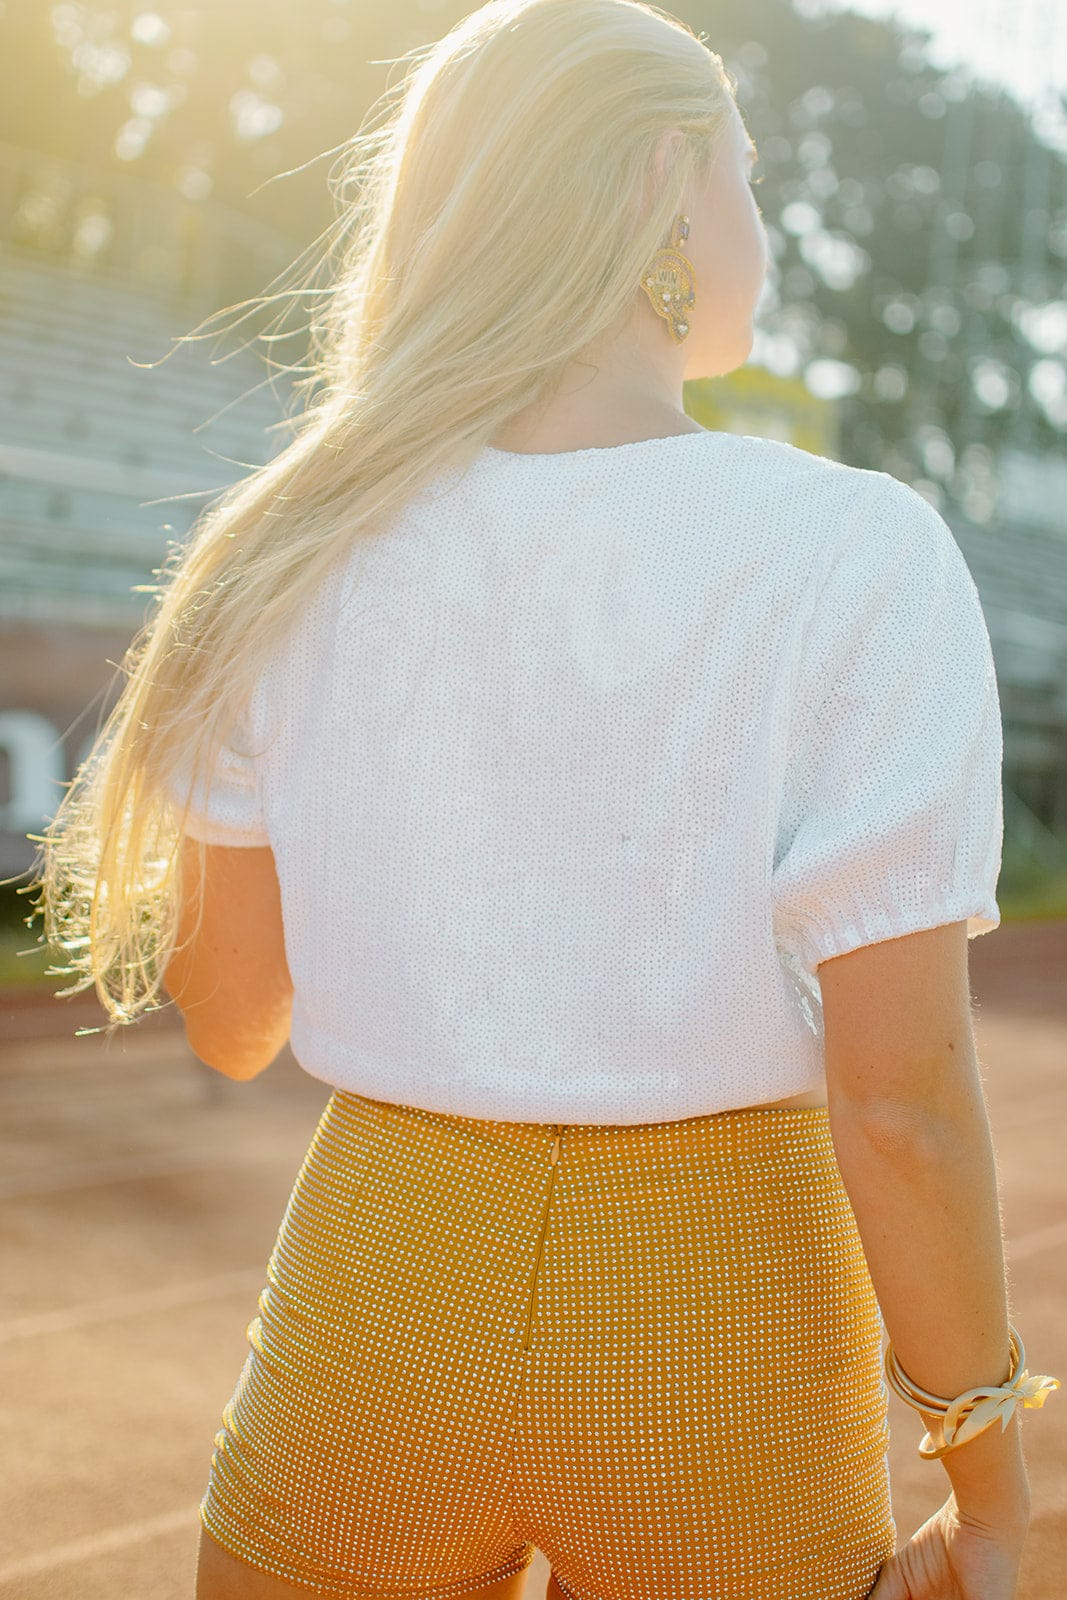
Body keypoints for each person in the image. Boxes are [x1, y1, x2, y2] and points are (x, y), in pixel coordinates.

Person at [25, 2, 1057, 1598]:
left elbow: (231, 1017)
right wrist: (987, 1477)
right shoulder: (858, 549)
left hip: (377, 1275)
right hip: (720, 1312)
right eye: (750, 181)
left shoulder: (288, 550)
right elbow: (902, 1106)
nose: (763, 235)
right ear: (662, 184)